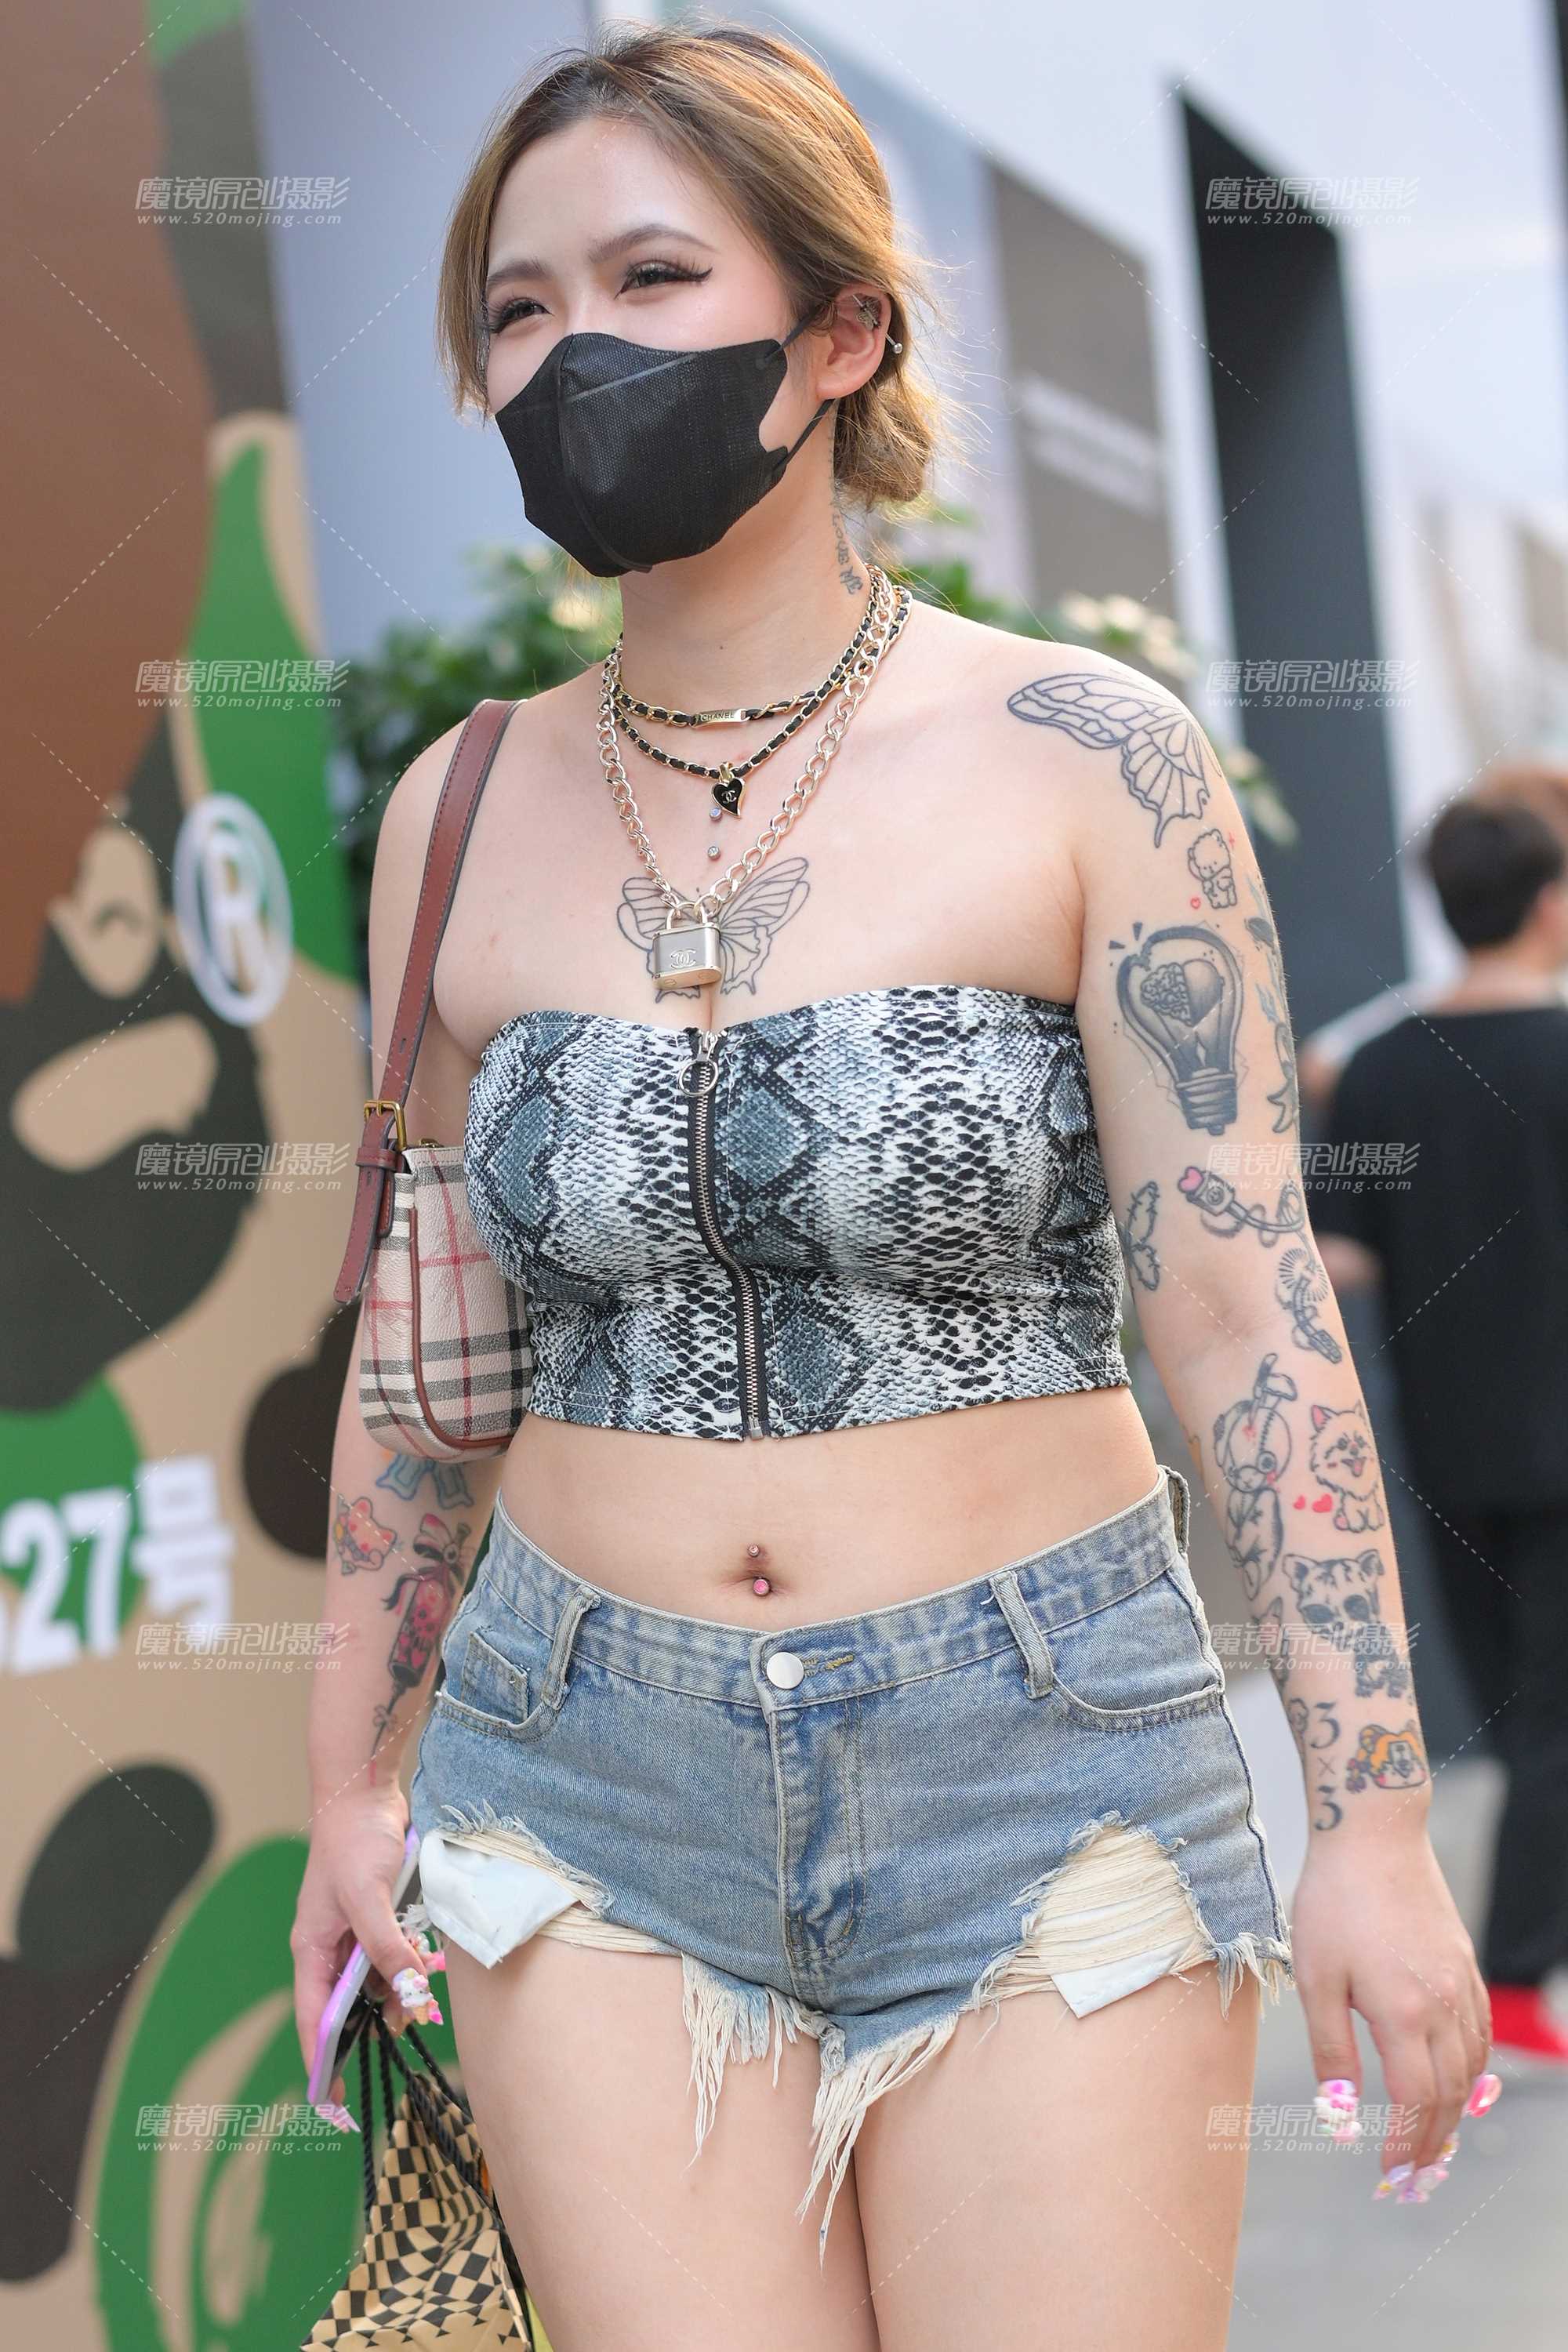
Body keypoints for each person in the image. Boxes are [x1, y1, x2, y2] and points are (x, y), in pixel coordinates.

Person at [292, 21, 1492, 2344]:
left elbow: (1242, 1309)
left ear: (840, 333)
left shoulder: (1087, 755)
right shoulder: (459, 806)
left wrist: (1370, 1820)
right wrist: (351, 1782)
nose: (573, 352)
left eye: (652, 278)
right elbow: (433, 1352)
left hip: (1043, 1764)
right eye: (520, 309)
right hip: (574, 1776)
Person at [1309, 797, 1568, 2062]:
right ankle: (1511, 1979)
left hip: (1451, 1443)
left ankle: (1509, 1967)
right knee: (1554, 1723)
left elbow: (1336, 1258)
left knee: (1525, 1715)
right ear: (1551, 902)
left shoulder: (1378, 1067)